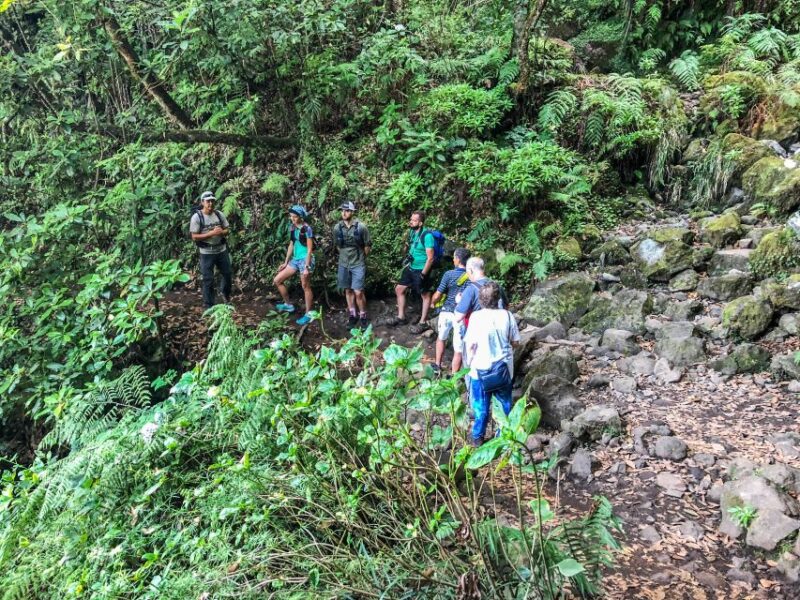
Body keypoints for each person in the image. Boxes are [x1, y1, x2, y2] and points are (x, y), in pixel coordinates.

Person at [463, 281, 520, 447]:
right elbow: (515, 342)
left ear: (481, 300)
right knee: (504, 406)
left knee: (480, 407)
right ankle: (502, 438)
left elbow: (471, 346)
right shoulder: (507, 315)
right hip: (503, 369)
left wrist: (470, 363)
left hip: (479, 369)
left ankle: (478, 438)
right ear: (498, 299)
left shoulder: (475, 317)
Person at [388, 210, 435, 334]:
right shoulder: (412, 232)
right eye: (411, 219)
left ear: (420, 223)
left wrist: (423, 274)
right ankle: (401, 317)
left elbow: (430, 258)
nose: (411, 222)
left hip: (421, 269)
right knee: (399, 289)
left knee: (425, 295)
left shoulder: (427, 236)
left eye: (414, 220)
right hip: (411, 267)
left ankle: (423, 322)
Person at [430, 247, 471, 376]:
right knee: (458, 348)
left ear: (458, 259)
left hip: (446, 311)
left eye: (454, 257)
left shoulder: (449, 274)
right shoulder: (472, 276)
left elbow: (438, 294)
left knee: (441, 338)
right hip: (462, 313)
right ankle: (454, 375)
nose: (453, 259)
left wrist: (432, 303)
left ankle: (437, 365)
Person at [273, 205, 315, 326]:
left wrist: (307, 267)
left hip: (305, 260)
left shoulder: (307, 229)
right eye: (291, 216)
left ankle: (308, 313)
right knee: (277, 280)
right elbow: (292, 244)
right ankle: (288, 305)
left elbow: (309, 250)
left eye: (295, 217)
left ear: (301, 217)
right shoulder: (292, 227)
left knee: (305, 286)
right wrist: (286, 262)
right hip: (295, 260)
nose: (292, 219)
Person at [190, 191, 232, 309]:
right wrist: (211, 233)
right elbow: (194, 236)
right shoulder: (197, 217)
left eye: (212, 201)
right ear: (202, 202)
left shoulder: (219, 214)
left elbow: (227, 230)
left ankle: (225, 296)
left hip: (221, 250)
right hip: (206, 252)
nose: (210, 203)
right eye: (208, 201)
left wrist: (221, 232)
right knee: (208, 279)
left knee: (227, 274)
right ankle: (209, 305)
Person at [334, 201, 372, 329]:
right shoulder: (337, 228)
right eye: (342, 210)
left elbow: (367, 246)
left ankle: (363, 316)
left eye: (347, 210)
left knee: (358, 292)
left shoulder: (361, 227)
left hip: (358, 263)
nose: (344, 213)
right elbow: (338, 246)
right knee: (348, 290)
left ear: (352, 212)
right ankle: (352, 315)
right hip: (344, 263)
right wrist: (346, 256)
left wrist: (360, 258)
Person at [453, 256, 508, 333]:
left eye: (467, 272)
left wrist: (458, 302)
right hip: (498, 332)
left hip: (478, 335)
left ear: (470, 270)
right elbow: (506, 307)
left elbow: (458, 317)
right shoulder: (497, 286)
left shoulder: (470, 290)